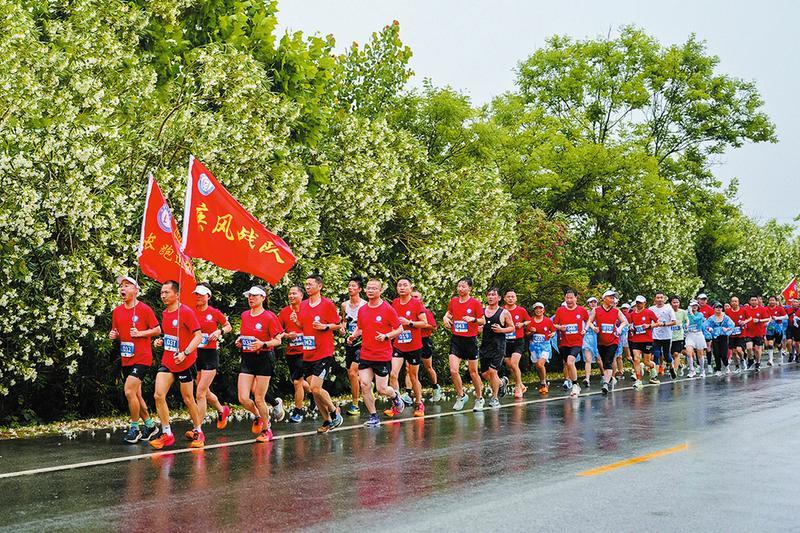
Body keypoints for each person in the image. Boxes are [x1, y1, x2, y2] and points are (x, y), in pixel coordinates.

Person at [149, 281, 205, 450]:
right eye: (161, 292)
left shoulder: (186, 312)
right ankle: (167, 433)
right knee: (158, 395)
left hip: (185, 360)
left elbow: (198, 336)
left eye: (167, 292)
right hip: (168, 360)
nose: (163, 295)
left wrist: (185, 353)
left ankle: (198, 431)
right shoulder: (165, 313)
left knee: (188, 398)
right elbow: (172, 335)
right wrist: (161, 341)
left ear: (177, 294)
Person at [109, 275, 161, 444]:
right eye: (121, 286)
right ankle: (151, 426)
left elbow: (157, 330)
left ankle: (134, 428)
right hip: (127, 357)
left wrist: (141, 333)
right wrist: (114, 335)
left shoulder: (144, 309)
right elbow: (117, 333)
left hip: (142, 357)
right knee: (136, 395)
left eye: (127, 285)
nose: (122, 288)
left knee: (129, 391)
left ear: (136, 290)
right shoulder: (117, 311)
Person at [349, 279, 405, 427]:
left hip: (382, 355)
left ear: (380, 291)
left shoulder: (387, 309)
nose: (370, 291)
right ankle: (374, 417)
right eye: (368, 288)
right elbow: (360, 328)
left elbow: (399, 329)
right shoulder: (362, 309)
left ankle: (394, 395)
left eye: (374, 288)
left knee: (382, 389)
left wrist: (386, 336)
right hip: (366, 353)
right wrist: (353, 336)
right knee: (365, 384)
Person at [235, 286, 284, 443]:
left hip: (264, 358)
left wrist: (263, 344)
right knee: (243, 398)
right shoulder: (244, 315)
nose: (251, 298)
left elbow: (278, 340)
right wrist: (240, 341)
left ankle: (266, 429)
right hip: (247, 358)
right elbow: (244, 335)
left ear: (263, 297)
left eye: (254, 296)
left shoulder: (269, 317)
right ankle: (259, 416)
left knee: (259, 398)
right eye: (249, 295)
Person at [298, 274, 344, 433]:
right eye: (306, 284)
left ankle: (334, 411)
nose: (307, 287)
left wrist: (325, 327)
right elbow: (303, 326)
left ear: (319, 286)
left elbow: (338, 325)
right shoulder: (303, 305)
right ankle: (327, 420)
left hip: (323, 352)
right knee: (313, 390)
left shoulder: (327, 304)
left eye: (310, 284)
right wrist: (296, 322)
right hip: (308, 352)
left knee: (315, 388)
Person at [192, 285, 233, 432]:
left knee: (200, 393)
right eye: (196, 294)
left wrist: (219, 331)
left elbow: (228, 326)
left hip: (210, 355)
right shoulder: (191, 312)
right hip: (195, 354)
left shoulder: (214, 312)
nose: (198, 297)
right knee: (205, 391)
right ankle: (222, 410)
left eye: (201, 294)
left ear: (208, 296)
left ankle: (197, 429)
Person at [442, 277, 486, 410]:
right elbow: (449, 313)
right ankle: (461, 395)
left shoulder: (475, 303)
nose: (460, 289)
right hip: (456, 340)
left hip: (470, 340)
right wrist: (445, 318)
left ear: (469, 288)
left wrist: (473, 319)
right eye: (459, 286)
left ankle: (479, 398)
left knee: (473, 372)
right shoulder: (453, 301)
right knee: (453, 370)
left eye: (463, 286)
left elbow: (483, 320)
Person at [389, 277, 428, 417]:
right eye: (399, 285)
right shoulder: (394, 303)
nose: (402, 287)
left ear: (410, 288)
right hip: (398, 344)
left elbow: (424, 323)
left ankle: (419, 403)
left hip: (414, 346)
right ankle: (397, 404)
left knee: (413, 376)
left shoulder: (416, 303)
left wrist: (409, 323)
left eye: (405, 285)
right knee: (393, 374)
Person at [585, 290, 628, 395]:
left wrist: (619, 328)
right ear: (604, 299)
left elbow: (624, 321)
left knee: (608, 361)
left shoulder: (616, 311)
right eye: (610, 297)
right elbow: (589, 321)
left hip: (613, 340)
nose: (612, 300)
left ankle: (605, 383)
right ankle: (610, 379)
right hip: (601, 341)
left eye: (613, 298)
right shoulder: (596, 310)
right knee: (605, 362)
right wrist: (594, 327)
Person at [278, 285, 311, 423]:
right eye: (290, 294)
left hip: (306, 351)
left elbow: (314, 329)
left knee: (297, 382)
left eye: (294, 294)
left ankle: (298, 411)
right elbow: (278, 332)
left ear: (301, 296)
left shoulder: (308, 310)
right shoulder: (284, 312)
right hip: (291, 351)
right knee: (299, 381)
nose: (291, 296)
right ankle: (315, 394)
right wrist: (287, 335)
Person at [478, 288, 515, 409]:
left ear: (499, 298)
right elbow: (479, 326)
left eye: (493, 295)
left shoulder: (504, 312)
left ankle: (495, 398)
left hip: (498, 346)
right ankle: (501, 382)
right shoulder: (482, 311)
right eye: (489, 295)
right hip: (485, 345)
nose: (490, 297)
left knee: (493, 371)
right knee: (485, 374)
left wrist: (501, 330)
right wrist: (479, 329)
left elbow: (512, 327)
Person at [553, 290, 589, 398]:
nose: (569, 300)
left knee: (570, 361)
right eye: (567, 298)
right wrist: (560, 327)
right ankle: (573, 382)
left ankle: (575, 385)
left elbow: (588, 321)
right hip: (563, 342)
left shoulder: (581, 310)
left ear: (576, 298)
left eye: (571, 298)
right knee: (568, 364)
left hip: (577, 341)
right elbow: (554, 324)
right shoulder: (560, 310)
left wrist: (585, 329)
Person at [340, 277, 367, 416]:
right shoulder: (344, 305)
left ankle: (355, 404)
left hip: (361, 342)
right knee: (351, 375)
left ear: (360, 289)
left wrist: (356, 335)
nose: (350, 288)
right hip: (349, 342)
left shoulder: (365, 305)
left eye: (353, 286)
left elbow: (366, 325)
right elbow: (344, 320)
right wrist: (342, 328)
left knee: (352, 372)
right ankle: (366, 386)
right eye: (349, 285)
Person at [412, 289, 442, 401]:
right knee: (409, 369)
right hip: (411, 341)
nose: (414, 299)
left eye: (416, 297)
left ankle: (435, 387)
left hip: (424, 341)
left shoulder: (425, 311)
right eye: (412, 296)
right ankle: (409, 393)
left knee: (428, 367)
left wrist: (419, 324)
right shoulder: (408, 311)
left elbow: (434, 326)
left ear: (421, 299)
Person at [502, 290, 530, 398]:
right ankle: (521, 384)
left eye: (512, 297)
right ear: (504, 298)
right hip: (505, 341)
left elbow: (528, 321)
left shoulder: (521, 310)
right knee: (510, 366)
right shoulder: (501, 310)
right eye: (508, 297)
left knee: (514, 364)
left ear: (516, 298)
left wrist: (522, 324)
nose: (510, 299)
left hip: (518, 340)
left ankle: (518, 387)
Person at [628, 295, 659, 388]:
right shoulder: (632, 314)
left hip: (647, 340)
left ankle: (652, 367)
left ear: (644, 303)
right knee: (636, 359)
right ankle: (638, 380)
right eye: (637, 302)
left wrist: (649, 326)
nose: (638, 304)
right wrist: (631, 327)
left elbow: (658, 323)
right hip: (636, 340)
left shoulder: (649, 312)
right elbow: (630, 324)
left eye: (640, 303)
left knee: (646, 362)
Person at [526, 302, 555, 394]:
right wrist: (531, 332)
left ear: (543, 310)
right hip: (534, 346)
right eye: (536, 309)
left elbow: (553, 331)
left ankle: (544, 384)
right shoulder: (530, 321)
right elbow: (526, 334)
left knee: (540, 364)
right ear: (534, 310)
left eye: (540, 308)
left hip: (545, 346)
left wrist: (552, 334)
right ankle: (542, 382)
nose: (538, 310)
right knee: (537, 366)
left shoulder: (548, 321)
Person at [649, 292, 677, 378]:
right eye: (658, 298)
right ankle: (654, 375)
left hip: (666, 336)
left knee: (666, 356)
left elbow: (674, 322)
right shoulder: (651, 309)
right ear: (655, 299)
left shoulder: (668, 308)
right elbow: (648, 321)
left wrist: (664, 324)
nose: (659, 299)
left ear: (664, 299)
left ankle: (672, 367)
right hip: (656, 336)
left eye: (661, 297)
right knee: (656, 355)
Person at [705, 302, 735, 376]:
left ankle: (727, 366)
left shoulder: (725, 317)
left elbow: (732, 325)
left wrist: (727, 329)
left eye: (720, 307)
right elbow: (706, 326)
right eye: (717, 307)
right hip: (715, 337)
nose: (719, 309)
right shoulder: (711, 318)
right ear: (714, 309)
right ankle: (718, 369)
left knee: (724, 354)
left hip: (723, 337)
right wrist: (709, 329)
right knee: (716, 354)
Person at [744, 296, 770, 372]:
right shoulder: (746, 309)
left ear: (757, 301)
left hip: (759, 332)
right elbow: (743, 319)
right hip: (748, 332)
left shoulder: (762, 309)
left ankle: (758, 362)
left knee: (757, 350)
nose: (754, 301)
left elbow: (768, 318)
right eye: (752, 300)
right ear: (749, 301)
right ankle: (750, 360)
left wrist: (759, 320)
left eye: (755, 300)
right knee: (749, 348)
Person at [726, 296, 750, 373]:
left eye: (736, 301)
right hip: (732, 334)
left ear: (738, 302)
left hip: (741, 334)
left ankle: (742, 360)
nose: (734, 303)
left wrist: (744, 322)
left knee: (739, 350)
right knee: (734, 352)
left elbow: (750, 318)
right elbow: (725, 320)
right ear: (730, 303)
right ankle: (737, 366)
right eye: (732, 301)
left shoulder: (743, 310)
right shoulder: (728, 311)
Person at [685, 300, 708, 378]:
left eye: (695, 305)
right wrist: (685, 326)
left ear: (698, 307)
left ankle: (702, 370)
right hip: (690, 335)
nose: (694, 307)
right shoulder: (687, 315)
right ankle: (692, 370)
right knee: (688, 352)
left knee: (700, 354)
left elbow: (695, 319)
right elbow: (684, 323)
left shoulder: (700, 314)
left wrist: (691, 313)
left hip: (698, 334)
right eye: (692, 306)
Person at [580, 296, 600, 388]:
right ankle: (587, 379)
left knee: (599, 360)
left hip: (598, 339)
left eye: (594, 302)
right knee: (588, 359)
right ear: (588, 304)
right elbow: (586, 322)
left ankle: (604, 375)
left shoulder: (600, 313)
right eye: (591, 302)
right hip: (587, 339)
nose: (593, 304)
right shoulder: (585, 313)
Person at [765, 296, 788, 366]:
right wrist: (767, 322)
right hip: (769, 328)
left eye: (773, 300)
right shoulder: (766, 309)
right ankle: (770, 360)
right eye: (770, 300)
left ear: (776, 301)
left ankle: (780, 357)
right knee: (770, 343)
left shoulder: (780, 308)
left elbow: (786, 317)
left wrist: (777, 318)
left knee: (778, 344)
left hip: (778, 328)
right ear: (768, 301)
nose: (771, 301)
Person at [669, 295, 688, 377]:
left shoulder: (683, 312)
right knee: (670, 355)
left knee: (676, 354)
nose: (676, 304)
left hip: (679, 336)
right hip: (669, 336)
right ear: (670, 303)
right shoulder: (668, 312)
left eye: (677, 302)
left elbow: (687, 320)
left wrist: (686, 324)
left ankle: (675, 371)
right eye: (674, 302)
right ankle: (679, 364)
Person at [614, 302, 632, 380]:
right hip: (616, 338)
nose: (624, 310)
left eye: (626, 308)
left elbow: (627, 326)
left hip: (624, 338)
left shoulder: (626, 315)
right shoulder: (613, 312)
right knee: (617, 356)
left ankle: (636, 366)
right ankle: (619, 372)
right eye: (623, 308)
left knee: (627, 356)